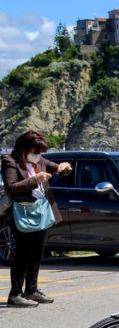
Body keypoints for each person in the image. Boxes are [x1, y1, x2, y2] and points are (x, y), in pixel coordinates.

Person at [1, 131, 72, 307]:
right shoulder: (10, 161)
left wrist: (63, 167)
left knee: (37, 252)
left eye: (40, 152)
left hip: (41, 211)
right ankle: (15, 294)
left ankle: (32, 290)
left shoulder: (39, 160)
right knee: (24, 253)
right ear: (24, 149)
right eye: (35, 151)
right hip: (22, 213)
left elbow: (55, 167)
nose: (38, 155)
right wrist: (35, 179)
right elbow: (11, 188)